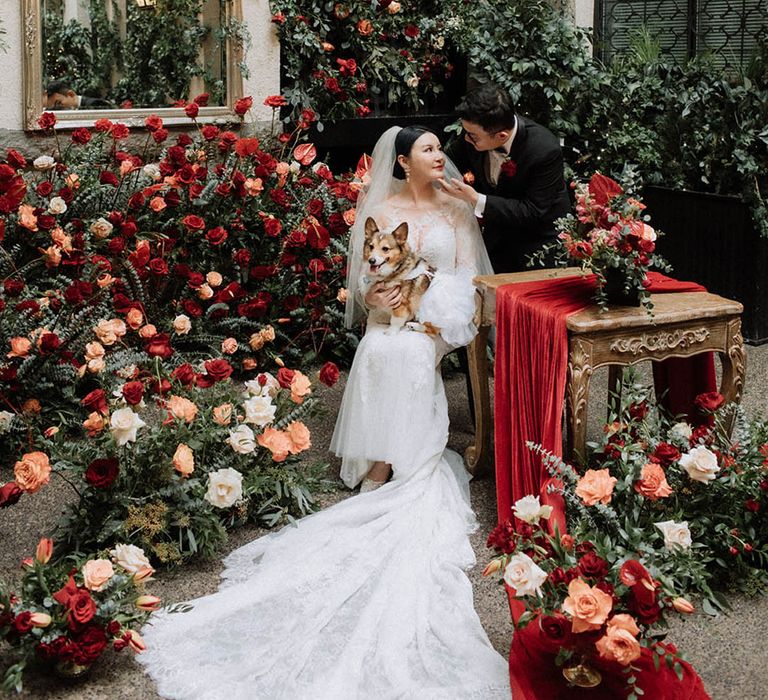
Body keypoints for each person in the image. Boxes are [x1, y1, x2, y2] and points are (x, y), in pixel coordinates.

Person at [137, 126, 511, 699]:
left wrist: (427, 312)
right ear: (404, 162)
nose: (442, 158)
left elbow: (467, 277)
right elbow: (364, 277)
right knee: (377, 346)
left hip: (436, 317)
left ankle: (400, 458)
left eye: (442, 149)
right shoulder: (382, 208)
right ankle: (377, 457)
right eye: (430, 151)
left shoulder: (458, 209)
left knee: (408, 354)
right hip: (391, 315)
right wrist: (376, 298)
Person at [441, 83, 571, 273]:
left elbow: (532, 211)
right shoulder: (475, 134)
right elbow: (448, 160)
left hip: (539, 248)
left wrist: (475, 199)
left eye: (472, 136)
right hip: (496, 242)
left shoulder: (544, 150)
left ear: (501, 136)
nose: (466, 139)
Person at [45, 80, 114, 110]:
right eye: (54, 107)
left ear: (71, 94)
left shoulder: (96, 104)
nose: (59, 108)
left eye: (59, 103)